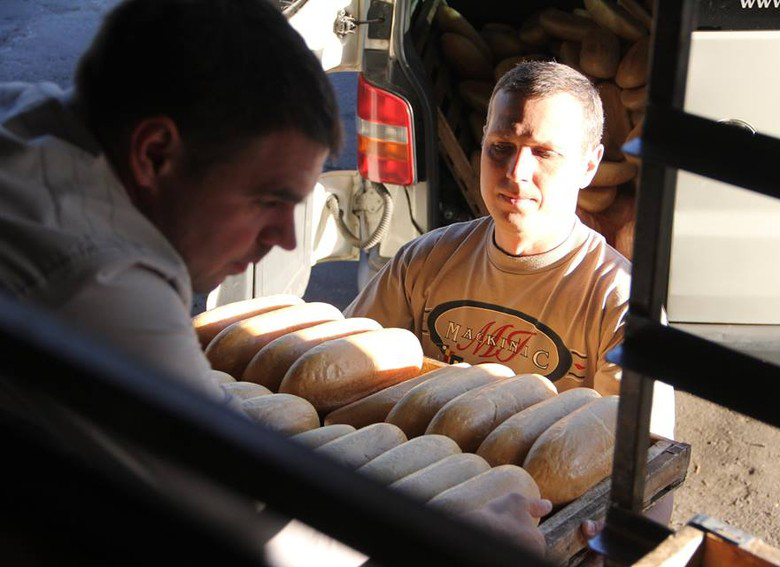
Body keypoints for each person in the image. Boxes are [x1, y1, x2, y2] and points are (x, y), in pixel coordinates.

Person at [0, 0, 548, 560]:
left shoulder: (26, 122)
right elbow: (261, 538)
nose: (286, 238)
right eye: (268, 199)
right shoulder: (103, 285)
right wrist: (449, 542)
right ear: (155, 152)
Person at [345, 61, 676, 537]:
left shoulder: (621, 303)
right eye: (501, 147)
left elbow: (651, 475)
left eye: (543, 153)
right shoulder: (423, 262)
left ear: (589, 165)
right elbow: (343, 380)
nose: (516, 172)